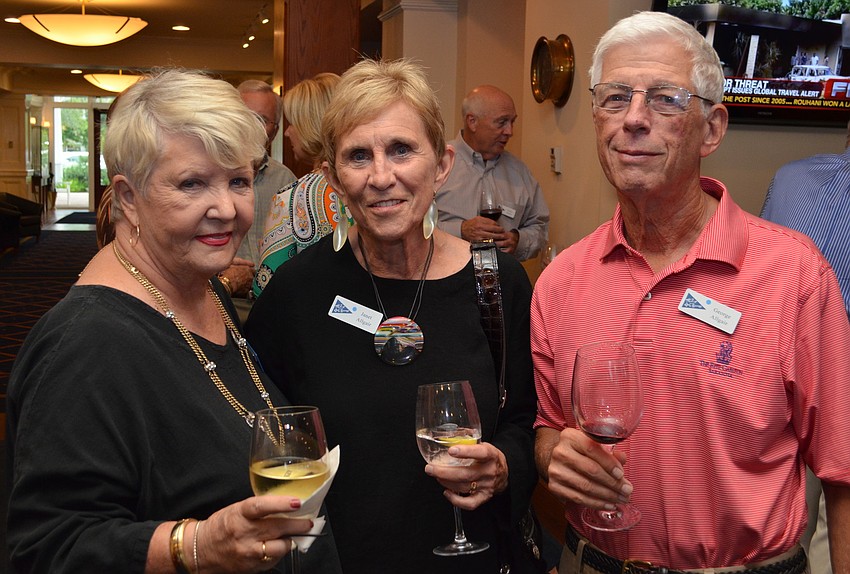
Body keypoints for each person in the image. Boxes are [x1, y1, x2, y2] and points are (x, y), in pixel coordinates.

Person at [531, 11, 850, 574]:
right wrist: (553, 454)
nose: (633, 119)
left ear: (712, 129)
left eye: (664, 99)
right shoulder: (561, 281)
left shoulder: (793, 274)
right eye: (614, 98)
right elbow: (548, 427)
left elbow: (844, 471)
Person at [6, 69, 340, 574]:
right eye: (192, 184)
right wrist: (197, 545)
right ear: (126, 198)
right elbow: (47, 546)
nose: (226, 208)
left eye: (239, 181)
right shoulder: (87, 344)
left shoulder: (198, 286)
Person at [245, 58, 540, 574]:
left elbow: (526, 419)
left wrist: (504, 464)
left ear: (442, 164)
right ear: (333, 176)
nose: (382, 177)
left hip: (472, 557)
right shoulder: (298, 293)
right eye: (358, 156)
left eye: (402, 150)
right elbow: (261, 427)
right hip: (343, 560)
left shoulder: (497, 283)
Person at [760, 121, 850, 574]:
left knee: (785, 522)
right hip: (802, 376)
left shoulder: (791, 177)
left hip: (780, 381)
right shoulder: (793, 179)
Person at [252, 72, 346, 297]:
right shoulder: (371, 186)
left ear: (311, 126)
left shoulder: (293, 198)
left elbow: (267, 288)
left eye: (293, 123)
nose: (286, 132)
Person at [435, 84, 549, 261]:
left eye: (512, 122)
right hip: (442, 281)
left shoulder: (520, 172)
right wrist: (460, 230)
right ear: (472, 121)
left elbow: (540, 227)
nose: (509, 131)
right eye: (502, 122)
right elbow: (411, 226)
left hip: (500, 282)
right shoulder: (435, 163)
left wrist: (518, 240)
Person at [217, 80, 297, 302]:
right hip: (217, 295)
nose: (252, 126)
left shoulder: (285, 179)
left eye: (261, 119)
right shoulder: (209, 176)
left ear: (275, 131)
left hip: (272, 302)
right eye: (245, 117)